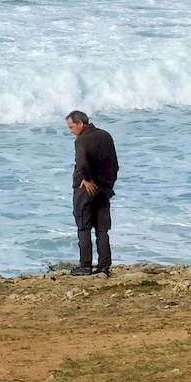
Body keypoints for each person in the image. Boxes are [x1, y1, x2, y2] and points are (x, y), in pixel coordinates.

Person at [65, 110, 118, 276]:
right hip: (104, 189)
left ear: (81, 123)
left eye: (71, 127)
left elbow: (81, 163)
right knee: (102, 229)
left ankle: (85, 265)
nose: (70, 130)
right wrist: (108, 185)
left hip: (85, 189)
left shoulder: (81, 141)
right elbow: (114, 164)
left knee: (84, 227)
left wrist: (87, 179)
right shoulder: (105, 136)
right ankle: (104, 266)